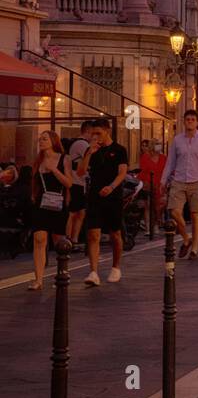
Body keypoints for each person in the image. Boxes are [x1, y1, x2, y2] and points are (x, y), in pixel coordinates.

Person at [78, 117, 128, 287]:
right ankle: (93, 271)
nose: (95, 137)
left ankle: (116, 266)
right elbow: (80, 171)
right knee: (93, 233)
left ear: (107, 131)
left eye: (98, 133)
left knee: (115, 233)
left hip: (113, 196)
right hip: (94, 195)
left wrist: (111, 187)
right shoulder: (90, 150)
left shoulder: (119, 150)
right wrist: (89, 153)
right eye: (92, 134)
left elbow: (122, 172)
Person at [161, 109, 198, 261]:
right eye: (187, 119)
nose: (190, 121)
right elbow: (170, 162)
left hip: (197, 181)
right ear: (184, 122)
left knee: (195, 214)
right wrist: (163, 180)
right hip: (179, 180)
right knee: (174, 211)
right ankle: (186, 238)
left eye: (192, 119)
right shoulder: (177, 140)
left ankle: (195, 249)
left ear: (197, 122)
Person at [30, 131, 72, 291]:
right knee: (39, 238)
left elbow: (68, 183)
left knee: (58, 241)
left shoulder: (64, 159)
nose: (41, 141)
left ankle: (61, 273)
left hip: (58, 203)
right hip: (41, 202)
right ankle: (38, 279)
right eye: (39, 139)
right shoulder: (38, 160)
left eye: (44, 139)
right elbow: (34, 183)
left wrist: (54, 170)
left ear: (53, 141)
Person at [64, 119, 92, 247]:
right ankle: (69, 239)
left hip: (77, 181)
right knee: (74, 212)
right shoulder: (82, 144)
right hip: (76, 182)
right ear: (88, 130)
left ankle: (73, 239)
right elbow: (91, 161)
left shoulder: (78, 143)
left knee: (80, 212)